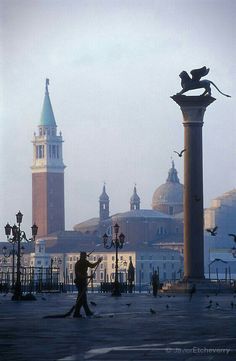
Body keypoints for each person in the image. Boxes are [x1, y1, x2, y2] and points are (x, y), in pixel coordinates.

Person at [73, 252, 102, 318]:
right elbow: (79, 275)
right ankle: (87, 312)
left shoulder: (84, 262)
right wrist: (88, 277)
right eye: (84, 256)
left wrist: (98, 262)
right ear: (82, 256)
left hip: (83, 282)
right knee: (83, 298)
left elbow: (92, 266)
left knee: (80, 298)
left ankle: (76, 313)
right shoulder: (78, 264)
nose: (85, 257)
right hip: (80, 282)